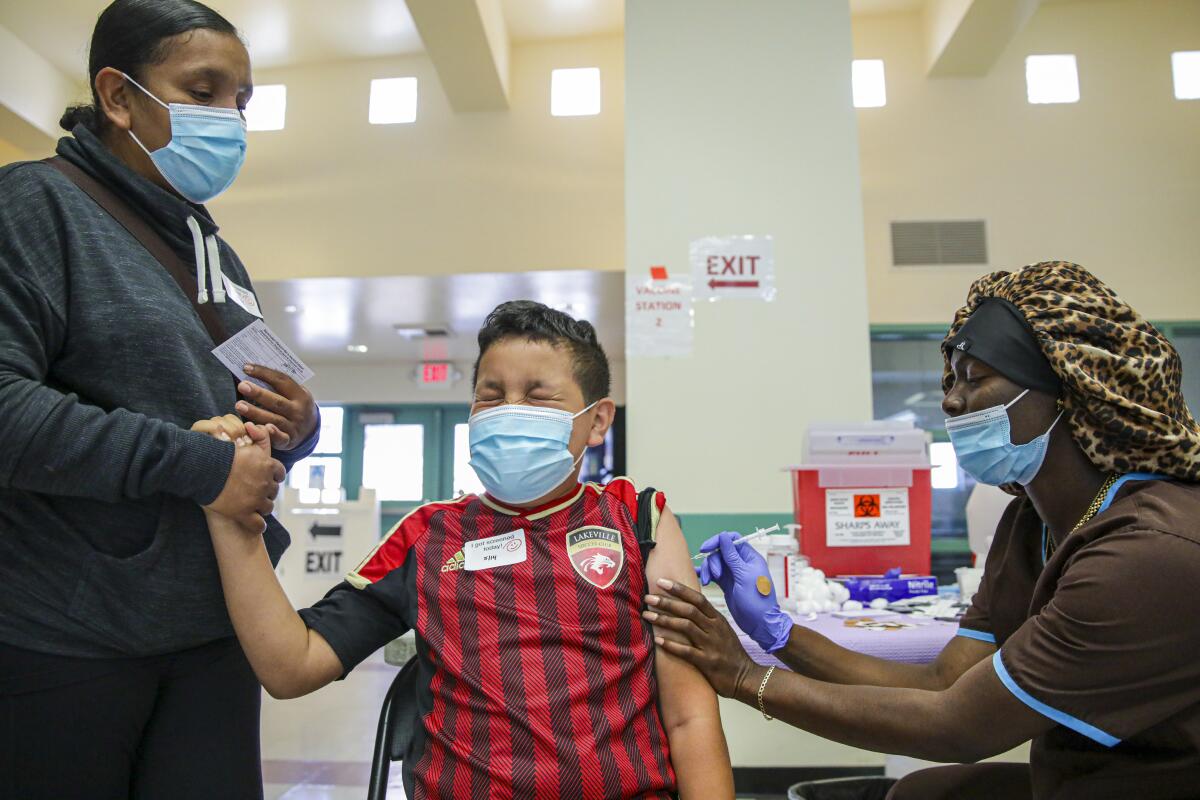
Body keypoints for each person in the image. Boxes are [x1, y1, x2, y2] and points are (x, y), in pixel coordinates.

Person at [643, 262, 1200, 799]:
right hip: (1083, 780)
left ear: (1069, 391)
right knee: (919, 793)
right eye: (953, 379)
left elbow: (957, 725)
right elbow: (942, 682)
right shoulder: (1029, 525)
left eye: (975, 379)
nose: (951, 400)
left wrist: (742, 675)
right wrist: (777, 635)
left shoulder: (1150, 553)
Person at [197, 301, 734, 799]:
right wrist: (230, 516)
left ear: (596, 422)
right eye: (491, 394)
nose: (509, 409)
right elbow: (293, 665)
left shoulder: (638, 520)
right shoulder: (428, 536)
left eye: (538, 395)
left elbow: (690, 716)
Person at [0, 2, 320, 797]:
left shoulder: (213, 248)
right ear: (118, 97)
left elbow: (246, 400)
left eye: (241, 101)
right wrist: (197, 465)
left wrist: (298, 425)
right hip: (69, 636)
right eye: (203, 91)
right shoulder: (35, 207)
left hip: (215, 621)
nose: (230, 119)